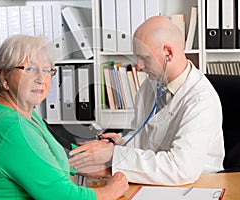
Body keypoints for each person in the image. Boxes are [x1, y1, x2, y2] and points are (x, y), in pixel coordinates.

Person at [0, 35, 128, 200]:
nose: (41, 79)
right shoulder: (11, 129)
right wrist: (112, 190)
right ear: (3, 77)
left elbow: (49, 159)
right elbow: (62, 196)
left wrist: (104, 167)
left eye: (47, 70)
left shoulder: (14, 111)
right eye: (30, 69)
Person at [69, 16, 225, 185]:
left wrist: (114, 154)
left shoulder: (201, 100)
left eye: (145, 58)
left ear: (168, 53)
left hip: (198, 185)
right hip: (154, 183)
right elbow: (144, 138)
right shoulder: (150, 85)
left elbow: (180, 169)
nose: (139, 66)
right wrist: (121, 143)